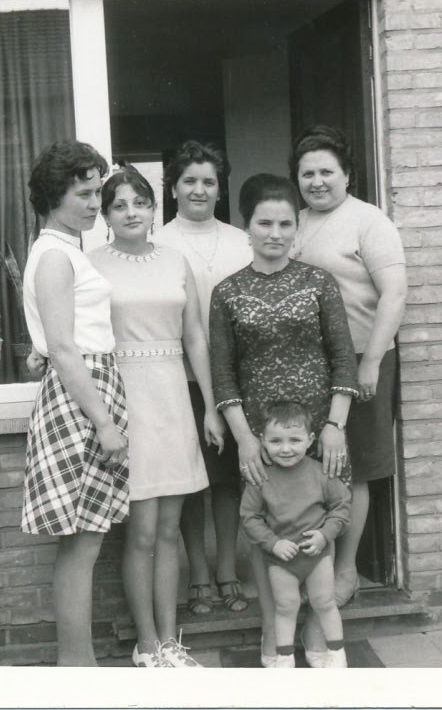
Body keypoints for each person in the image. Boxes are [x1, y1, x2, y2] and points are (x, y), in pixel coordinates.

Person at [209, 172, 358, 667]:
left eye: (285, 223)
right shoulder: (227, 293)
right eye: (264, 222)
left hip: (318, 432)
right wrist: (245, 440)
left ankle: (318, 636)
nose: (275, 233)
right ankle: (275, 638)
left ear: (297, 228)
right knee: (267, 529)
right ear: (246, 226)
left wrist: (335, 425)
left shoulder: (319, 282)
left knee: (320, 525)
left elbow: (343, 357)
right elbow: (222, 373)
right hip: (261, 437)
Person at [89, 165, 224, 668]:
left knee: (170, 530)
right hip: (126, 398)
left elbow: (194, 337)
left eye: (139, 204)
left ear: (153, 209)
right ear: (105, 215)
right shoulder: (91, 264)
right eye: (119, 205)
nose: (131, 213)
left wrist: (210, 406)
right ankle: (145, 643)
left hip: (172, 396)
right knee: (141, 530)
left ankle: (171, 640)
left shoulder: (175, 259)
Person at [289, 124, 407, 656]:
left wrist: (373, 360)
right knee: (312, 467)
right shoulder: (295, 224)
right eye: (307, 173)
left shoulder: (368, 221)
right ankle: (310, 571)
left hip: (360, 360)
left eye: (326, 172)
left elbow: (394, 293)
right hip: (309, 367)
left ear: (347, 175)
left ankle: (346, 567)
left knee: (352, 466)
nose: (316, 181)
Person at [21, 140, 129, 666]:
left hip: (85, 388)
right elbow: (64, 348)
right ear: (53, 195)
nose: (94, 204)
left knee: (85, 539)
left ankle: (76, 663)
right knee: (81, 543)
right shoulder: (55, 256)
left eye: (96, 192)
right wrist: (105, 424)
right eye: (84, 194)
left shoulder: (62, 251)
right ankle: (77, 665)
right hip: (80, 399)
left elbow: (53, 341)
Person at [155, 140, 253, 617]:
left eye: (208, 181)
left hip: (236, 377)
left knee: (230, 479)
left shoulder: (241, 240)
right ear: (173, 188)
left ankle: (229, 569)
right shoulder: (158, 244)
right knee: (192, 479)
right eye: (189, 181)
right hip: (181, 379)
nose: (199, 189)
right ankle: (198, 573)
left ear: (221, 187)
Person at [240, 401, 351, 669]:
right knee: (285, 606)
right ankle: (284, 658)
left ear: (310, 440)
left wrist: (325, 535)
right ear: (262, 441)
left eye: (295, 440)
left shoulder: (320, 472)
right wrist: (273, 543)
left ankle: (337, 655)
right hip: (280, 558)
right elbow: (249, 516)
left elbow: (342, 507)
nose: (286, 448)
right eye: (276, 441)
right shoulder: (261, 478)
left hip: (317, 555)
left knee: (324, 602)